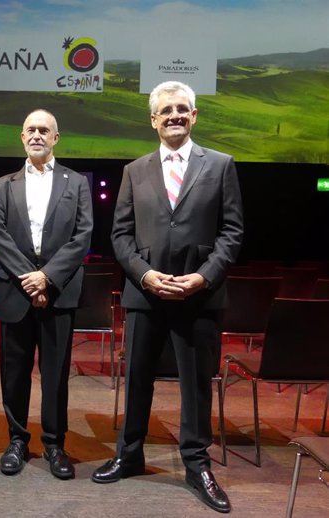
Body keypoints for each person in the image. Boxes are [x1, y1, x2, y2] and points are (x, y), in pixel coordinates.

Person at [92, 81, 243, 513]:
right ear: (153, 119)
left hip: (199, 296)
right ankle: (129, 452)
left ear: (194, 116)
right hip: (146, 294)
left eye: (182, 109)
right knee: (137, 378)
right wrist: (143, 275)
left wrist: (204, 277)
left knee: (196, 385)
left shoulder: (221, 165)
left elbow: (232, 232)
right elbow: (119, 235)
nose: (174, 115)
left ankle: (197, 465)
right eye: (166, 110)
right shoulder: (134, 170)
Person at [0, 109, 93, 480]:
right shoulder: (1, 186)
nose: (37, 135)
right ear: (21, 136)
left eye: (44, 130)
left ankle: (54, 443)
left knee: (55, 373)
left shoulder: (77, 183)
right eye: (30, 129)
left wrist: (46, 278)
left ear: (56, 138)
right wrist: (29, 279)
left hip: (59, 291)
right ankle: (17, 440)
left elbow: (83, 237)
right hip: (15, 291)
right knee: (13, 373)